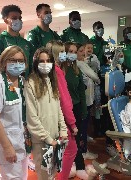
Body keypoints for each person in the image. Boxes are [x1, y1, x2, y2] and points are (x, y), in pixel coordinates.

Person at [0, 46, 29, 179]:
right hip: (8, 142)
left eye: (21, 61)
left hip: (23, 141)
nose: (17, 64)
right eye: (13, 60)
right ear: (4, 63)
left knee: (22, 176)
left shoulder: (22, 82)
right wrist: (7, 147)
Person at [24, 47, 68, 179]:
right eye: (41, 61)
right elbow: (32, 118)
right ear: (36, 63)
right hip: (41, 141)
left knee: (53, 174)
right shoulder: (30, 83)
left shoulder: (51, 80)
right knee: (44, 175)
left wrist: (63, 129)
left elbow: (58, 108)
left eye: (48, 60)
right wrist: (48, 139)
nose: (45, 64)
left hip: (55, 138)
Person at [63, 42, 96, 179]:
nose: (73, 54)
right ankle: (74, 166)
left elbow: (81, 91)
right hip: (65, 109)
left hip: (76, 107)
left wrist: (83, 109)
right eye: (70, 51)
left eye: (75, 51)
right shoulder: (62, 70)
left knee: (75, 139)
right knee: (69, 140)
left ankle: (78, 166)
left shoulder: (76, 68)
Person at [46, 41, 78, 179]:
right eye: (62, 52)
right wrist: (72, 123)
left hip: (52, 118)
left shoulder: (51, 70)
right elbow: (64, 101)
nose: (65, 55)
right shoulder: (57, 71)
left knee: (56, 150)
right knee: (71, 150)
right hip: (61, 120)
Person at [0, 4, 34, 78]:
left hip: (25, 83)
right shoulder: (0, 41)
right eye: (14, 18)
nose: (18, 20)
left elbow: (31, 66)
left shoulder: (26, 43)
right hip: (7, 85)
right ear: (5, 20)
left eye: (20, 18)